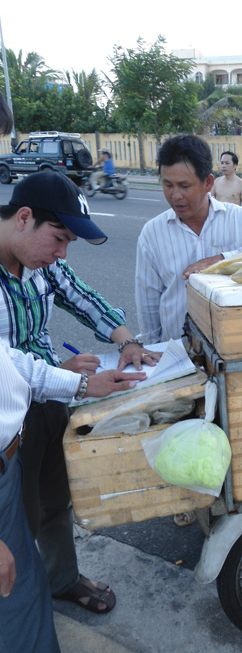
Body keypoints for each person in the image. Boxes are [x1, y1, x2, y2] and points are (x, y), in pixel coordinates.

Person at [0, 170, 161, 614]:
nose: (61, 253)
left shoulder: (41, 264)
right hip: (9, 422)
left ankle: (61, 579)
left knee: (57, 501)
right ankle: (21, 603)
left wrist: (127, 341)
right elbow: (7, 366)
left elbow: (83, 296)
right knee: (19, 518)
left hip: (53, 399)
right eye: (59, 238)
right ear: (24, 218)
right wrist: (78, 381)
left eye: (69, 242)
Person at [135, 134, 242, 526]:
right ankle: (189, 499)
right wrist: (151, 354)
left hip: (235, 353)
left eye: (184, 185)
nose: (175, 195)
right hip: (180, 355)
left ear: (208, 183)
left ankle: (231, 499)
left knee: (231, 427)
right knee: (185, 429)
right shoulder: (153, 233)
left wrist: (223, 259)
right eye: (166, 184)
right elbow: (147, 297)